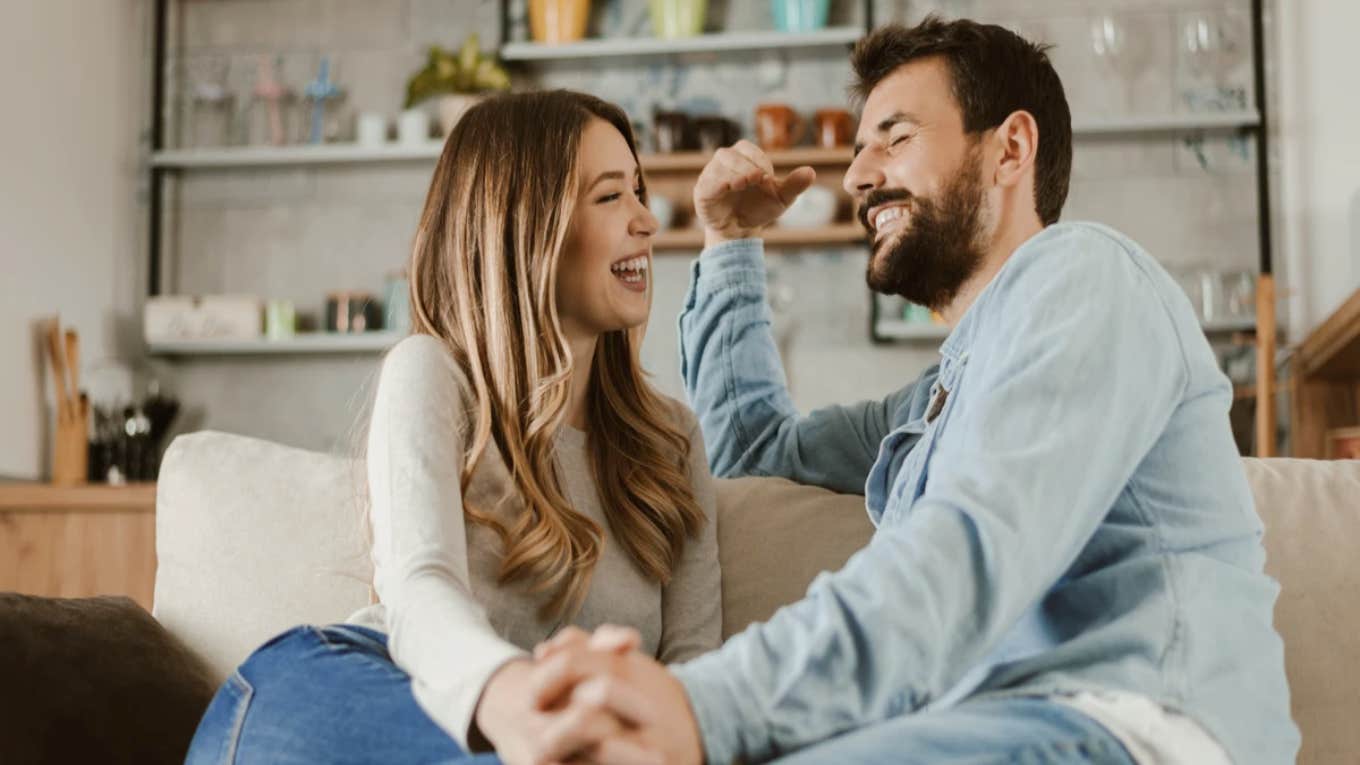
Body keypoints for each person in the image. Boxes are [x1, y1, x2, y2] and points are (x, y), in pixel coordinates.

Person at [526, 17, 1299, 765]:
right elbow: (754, 454)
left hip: (1133, 728)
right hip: (993, 727)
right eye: (861, 149)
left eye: (895, 138)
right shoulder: (943, 394)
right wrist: (731, 241)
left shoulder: (1088, 278)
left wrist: (701, 706)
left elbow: (965, 555)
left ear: (1011, 150)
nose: (859, 174)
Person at [184, 90, 722, 765]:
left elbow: (700, 669)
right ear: (527, 227)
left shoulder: (672, 441)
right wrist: (516, 700)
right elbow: (419, 586)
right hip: (361, 690)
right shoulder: (434, 373)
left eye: (638, 192)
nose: (646, 220)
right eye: (611, 196)